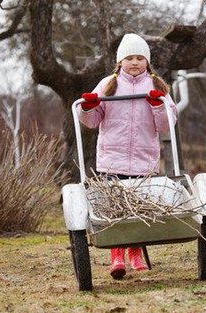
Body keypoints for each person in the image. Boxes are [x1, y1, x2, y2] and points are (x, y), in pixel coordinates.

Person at [78, 33, 177, 279]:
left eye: (140, 58)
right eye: (130, 58)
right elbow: (91, 121)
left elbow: (166, 124)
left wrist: (157, 105)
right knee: (116, 208)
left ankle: (135, 253)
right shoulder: (107, 85)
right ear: (120, 61)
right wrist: (88, 107)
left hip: (144, 158)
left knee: (139, 208)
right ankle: (116, 256)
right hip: (113, 158)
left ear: (148, 62)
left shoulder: (157, 87)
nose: (135, 62)